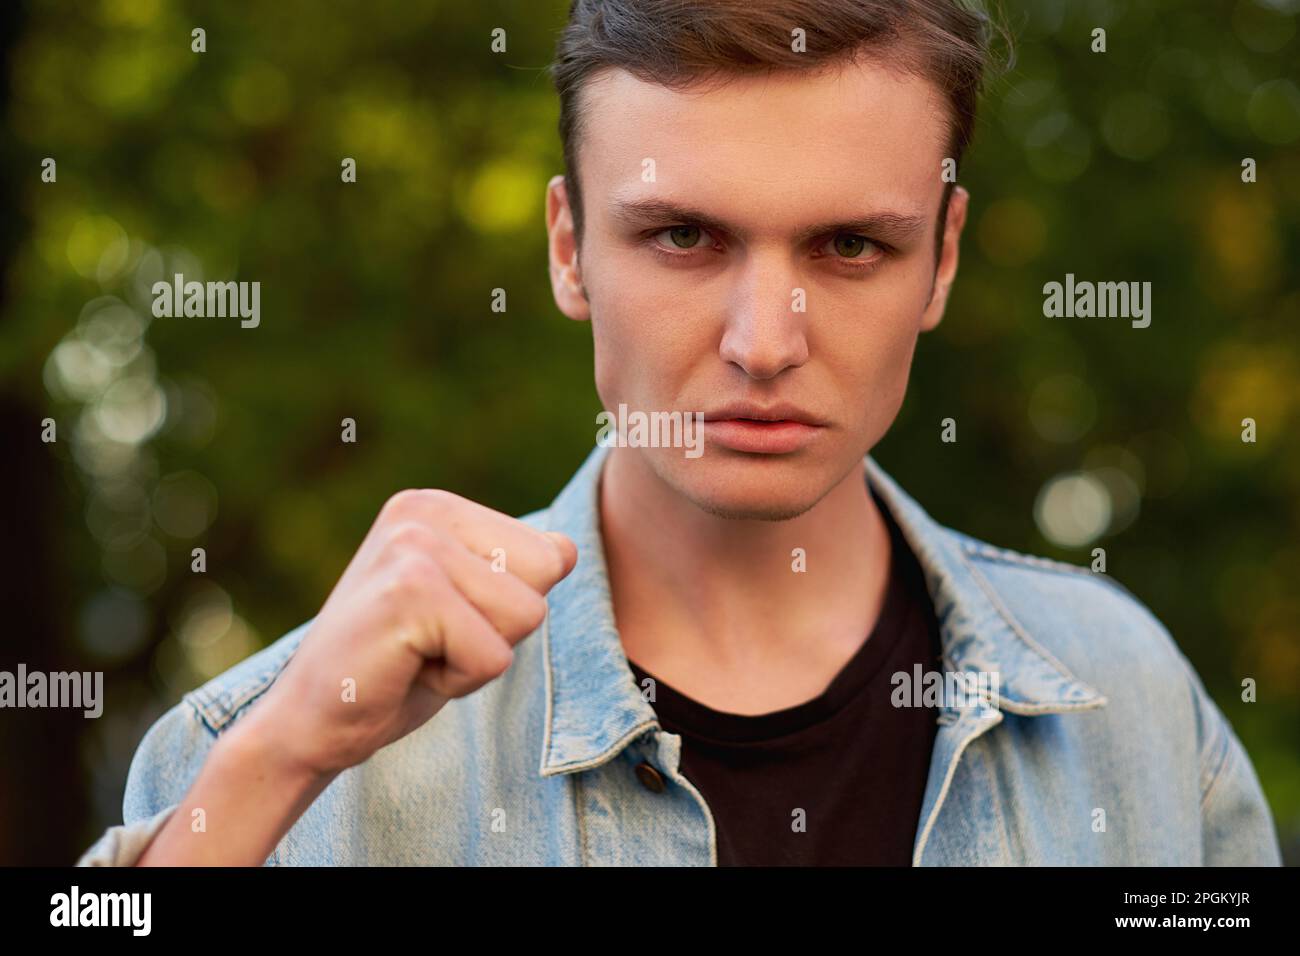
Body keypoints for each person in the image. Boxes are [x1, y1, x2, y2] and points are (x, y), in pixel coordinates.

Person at [78, 0, 1282, 866]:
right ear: (566, 247)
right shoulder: (280, 740)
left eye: (849, 246)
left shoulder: (1129, 706)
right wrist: (273, 771)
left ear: (942, 260)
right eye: (684, 238)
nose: (765, 341)